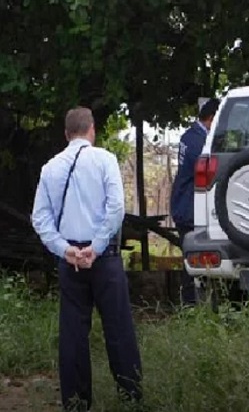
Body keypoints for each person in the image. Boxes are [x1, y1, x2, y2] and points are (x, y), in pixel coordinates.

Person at [31, 107, 142, 411]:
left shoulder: (50, 167)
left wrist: (65, 249)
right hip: (103, 257)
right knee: (118, 328)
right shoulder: (105, 160)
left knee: (73, 334)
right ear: (91, 130)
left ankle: (76, 403)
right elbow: (116, 207)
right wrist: (97, 245)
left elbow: (40, 218)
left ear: (66, 134)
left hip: (70, 260)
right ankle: (130, 397)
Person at [170, 98, 220, 305]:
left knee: (192, 259)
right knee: (192, 261)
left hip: (187, 206)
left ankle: (192, 304)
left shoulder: (192, 136)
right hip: (190, 209)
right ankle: (189, 304)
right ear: (212, 118)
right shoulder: (199, 142)